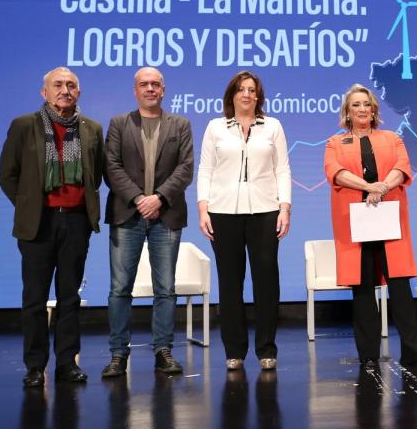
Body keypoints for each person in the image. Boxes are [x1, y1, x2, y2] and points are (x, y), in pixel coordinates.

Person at [0, 67, 104, 387]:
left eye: (71, 85)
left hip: (75, 221)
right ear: (44, 92)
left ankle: (67, 363)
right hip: (38, 223)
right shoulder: (24, 126)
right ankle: (34, 366)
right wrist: (29, 205)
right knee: (34, 297)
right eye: (57, 85)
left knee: (69, 297)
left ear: (79, 92)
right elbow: (7, 175)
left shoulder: (92, 129)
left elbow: (94, 175)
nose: (65, 90)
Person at [323, 84, 417, 371]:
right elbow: (336, 172)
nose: (362, 109)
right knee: (362, 290)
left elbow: (402, 166)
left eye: (366, 104)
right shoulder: (335, 143)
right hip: (354, 221)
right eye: (356, 105)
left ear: (374, 110)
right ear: (347, 112)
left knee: (400, 287)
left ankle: (415, 352)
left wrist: (382, 187)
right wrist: (368, 186)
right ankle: (368, 354)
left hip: (388, 217)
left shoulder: (392, 138)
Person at [101, 67, 194, 377]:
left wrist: (159, 199)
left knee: (166, 289)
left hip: (166, 215)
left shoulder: (180, 125)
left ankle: (163, 351)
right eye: (145, 84)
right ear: (135, 90)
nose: (150, 89)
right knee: (119, 289)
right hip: (128, 214)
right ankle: (118, 355)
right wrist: (140, 199)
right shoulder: (118, 124)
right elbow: (111, 167)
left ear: (163, 90)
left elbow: (185, 168)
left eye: (156, 84)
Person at [197, 71, 291, 370]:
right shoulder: (215, 127)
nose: (247, 95)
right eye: (241, 90)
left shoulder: (272, 126)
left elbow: (283, 170)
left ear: (258, 97)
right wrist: (203, 209)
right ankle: (234, 351)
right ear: (232, 95)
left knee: (266, 280)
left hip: (265, 210)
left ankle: (266, 349)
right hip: (223, 211)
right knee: (230, 282)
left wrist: (285, 208)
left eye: (252, 90)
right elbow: (205, 170)